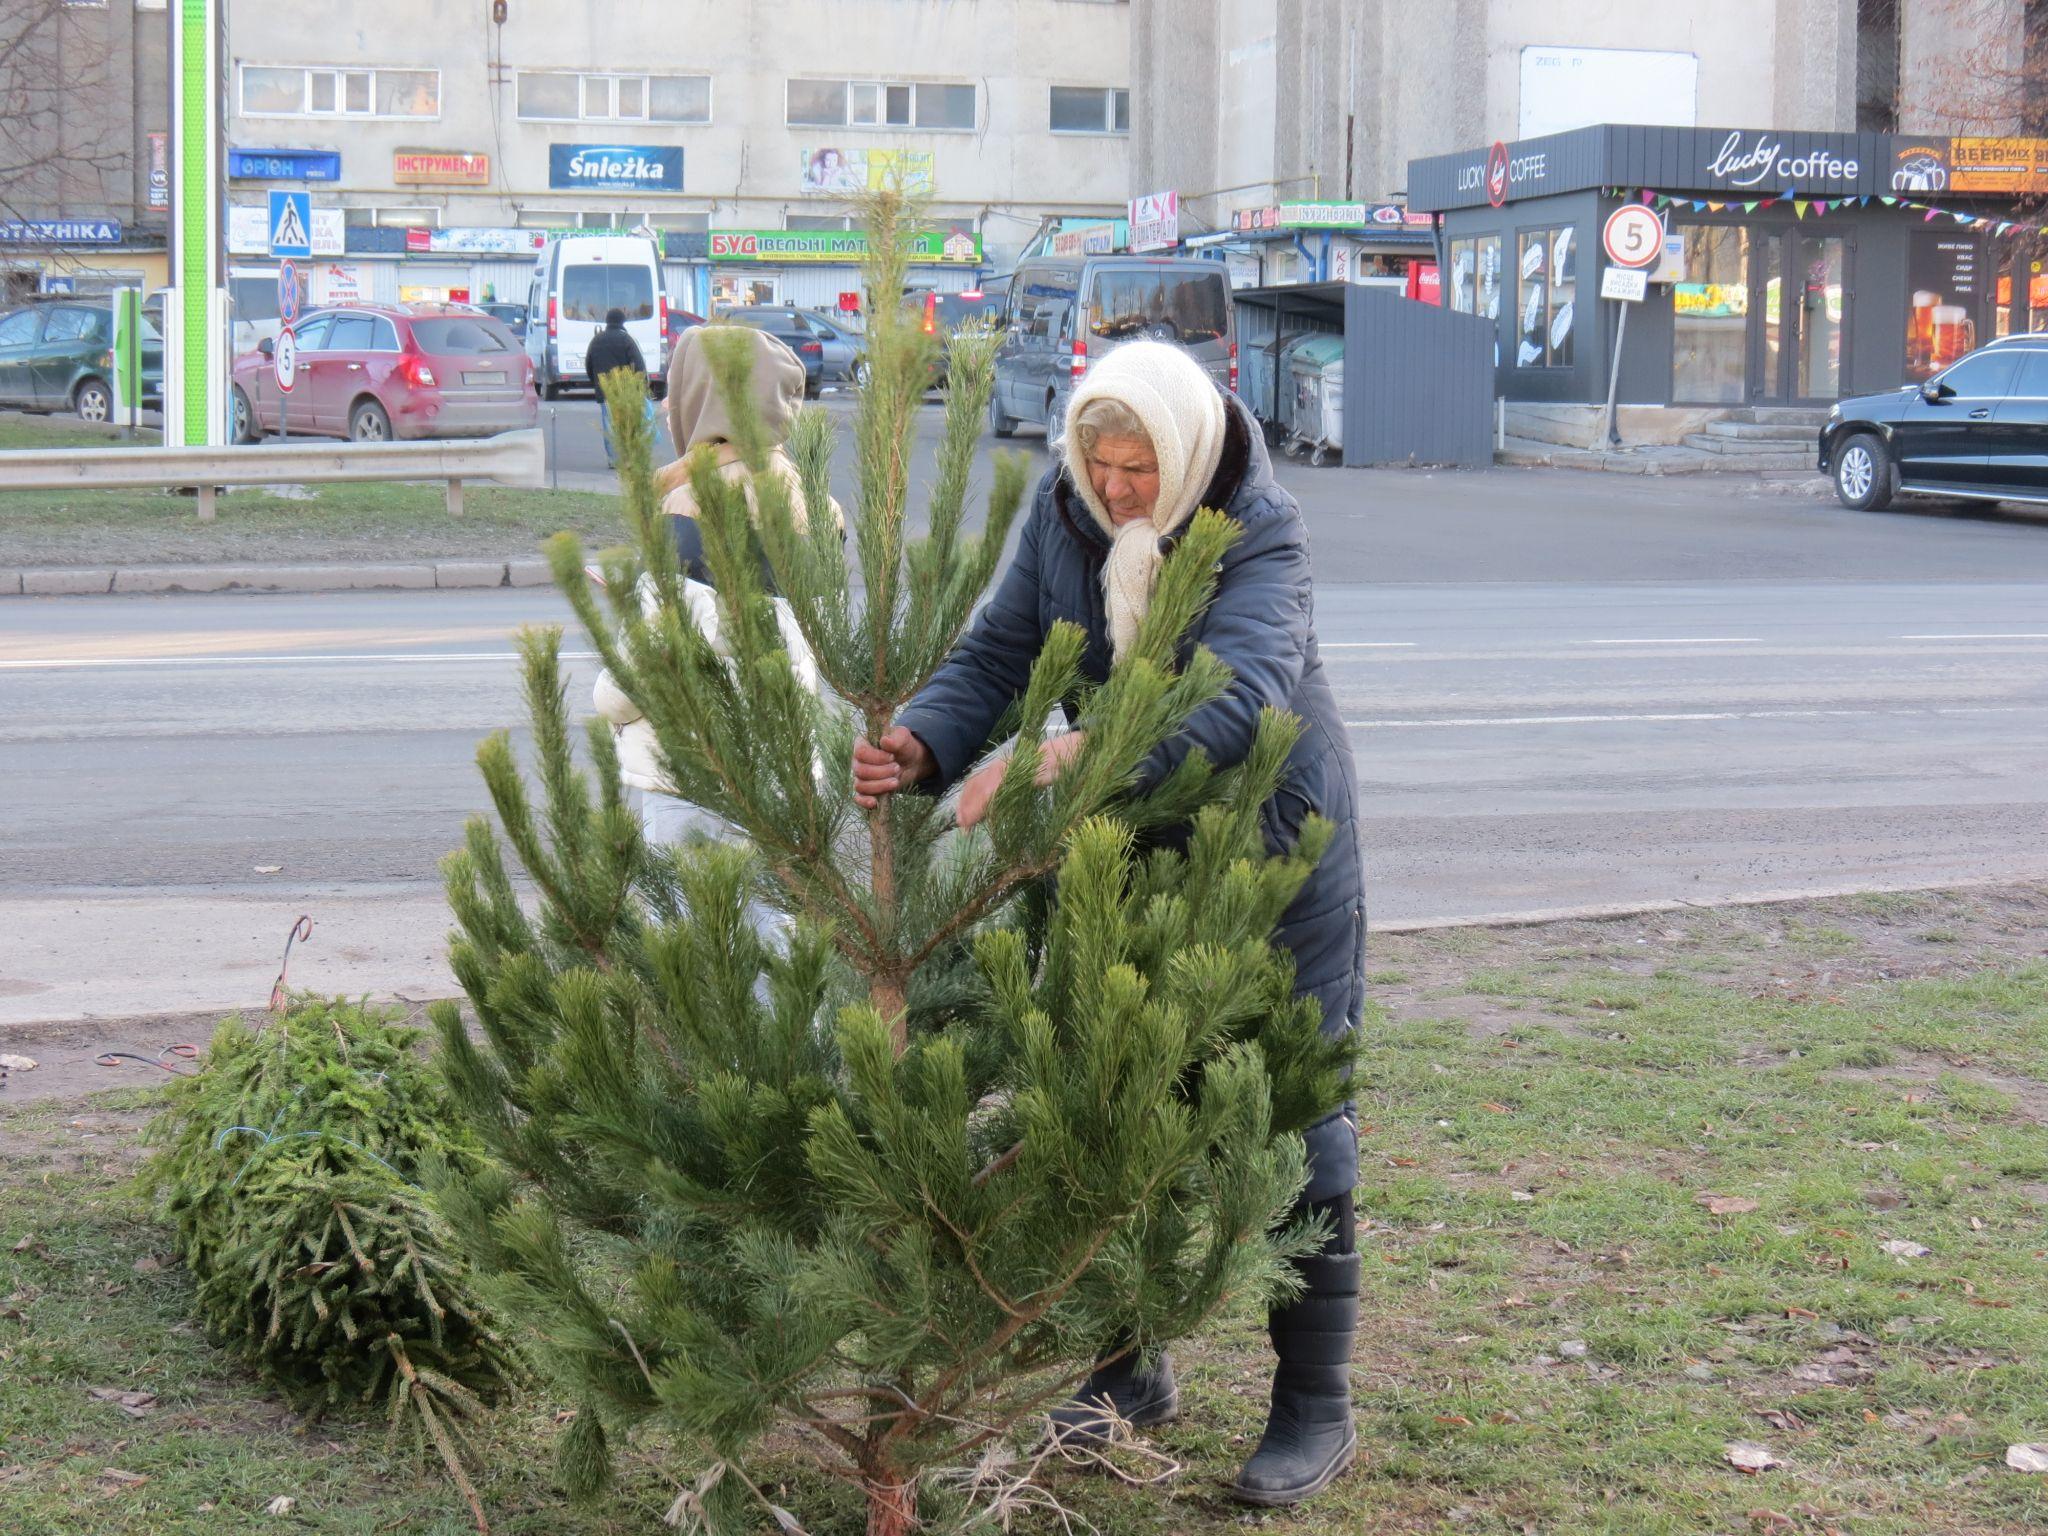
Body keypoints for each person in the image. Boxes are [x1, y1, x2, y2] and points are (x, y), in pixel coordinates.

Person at [851, 340, 1365, 1507]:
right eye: (1099, 463)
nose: (1119, 488)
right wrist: (925, 741)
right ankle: (1124, 1372)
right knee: (1105, 1096)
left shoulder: (1256, 526)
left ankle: (1313, 1410)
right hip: (1116, 844)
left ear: (1182, 455)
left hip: (1272, 847)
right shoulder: (1067, 511)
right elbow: (1001, 648)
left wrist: (1064, 750)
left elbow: (1239, 699)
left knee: (1293, 1120)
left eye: (1139, 467)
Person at [594, 324, 839, 867]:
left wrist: (606, 686)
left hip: (691, 776)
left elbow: (642, 672)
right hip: (787, 763)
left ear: (697, 400)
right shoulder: (816, 507)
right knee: (780, 929)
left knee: (690, 935)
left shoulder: (685, 512)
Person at [584, 307, 646, 469]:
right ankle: (629, 458)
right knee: (627, 424)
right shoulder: (626, 340)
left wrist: (597, 382)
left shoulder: (596, 340)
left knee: (609, 424)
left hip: (605, 391)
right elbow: (638, 365)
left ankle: (613, 459)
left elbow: (589, 365)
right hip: (626, 390)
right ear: (622, 321)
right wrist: (642, 386)